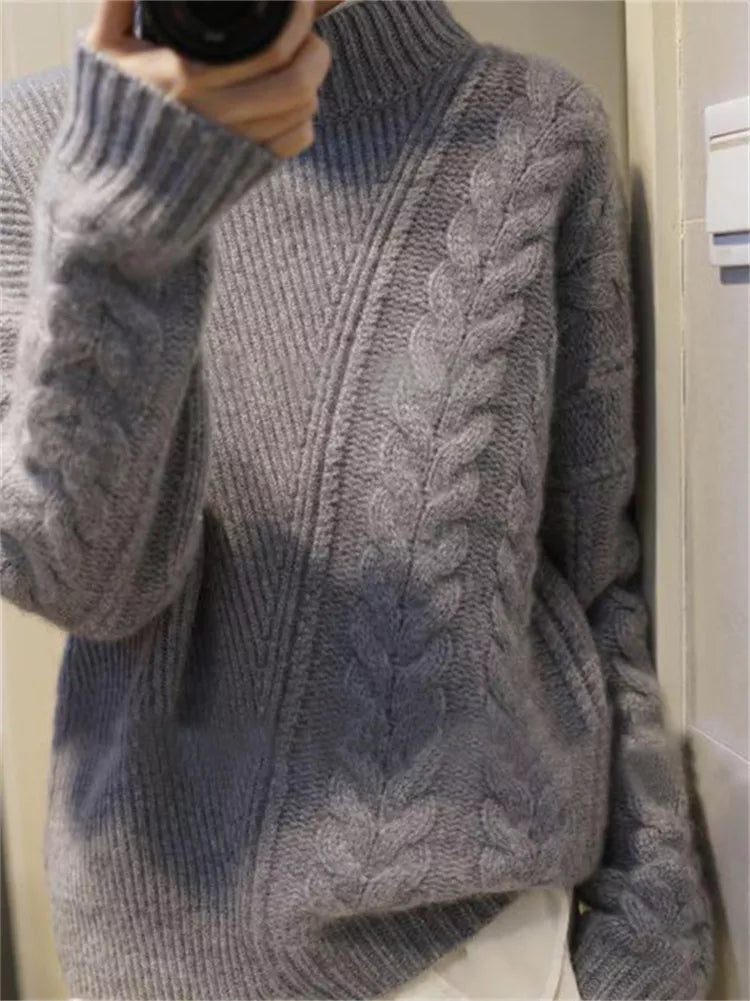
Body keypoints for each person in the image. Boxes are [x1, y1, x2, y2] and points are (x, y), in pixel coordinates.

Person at [0, 1, 715, 998]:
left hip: (491, 942)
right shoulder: (41, 144)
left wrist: (653, 922)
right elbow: (82, 579)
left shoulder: (538, 128)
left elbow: (597, 567)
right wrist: (130, 207)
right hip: (177, 956)